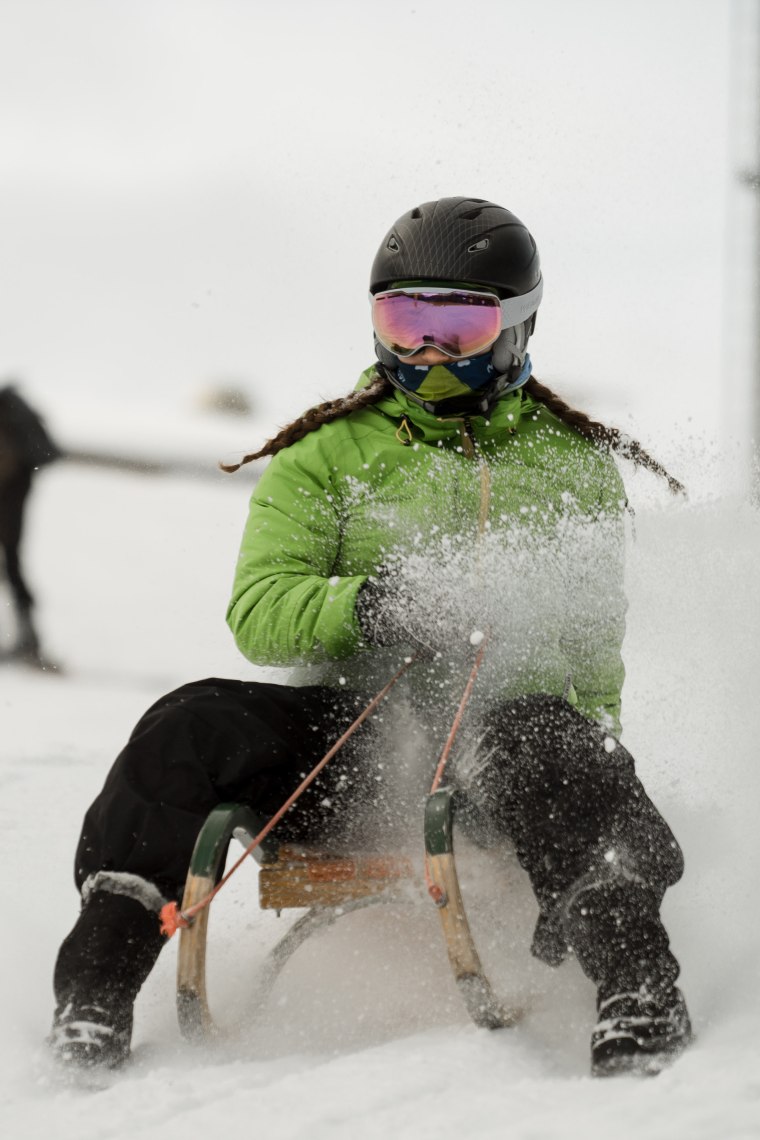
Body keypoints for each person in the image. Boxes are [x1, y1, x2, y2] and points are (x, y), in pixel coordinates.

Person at [49, 196, 691, 1078]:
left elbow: (591, 658)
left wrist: (583, 766)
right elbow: (261, 610)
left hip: (504, 757)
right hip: (349, 750)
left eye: (454, 327)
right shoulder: (330, 452)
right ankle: (94, 986)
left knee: (549, 733)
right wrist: (373, 603)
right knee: (188, 723)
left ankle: (636, 981)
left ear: (516, 325)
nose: (424, 350)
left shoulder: (570, 466)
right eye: (403, 320)